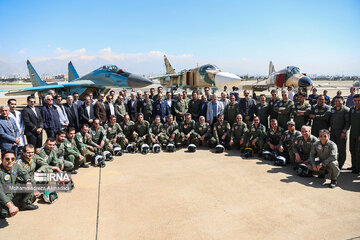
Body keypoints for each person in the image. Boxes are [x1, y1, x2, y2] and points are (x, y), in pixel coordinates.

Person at [0, 150, 39, 219]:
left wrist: (29, 182)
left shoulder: (15, 166)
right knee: (7, 212)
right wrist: (10, 206)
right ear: (1, 159)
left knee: (32, 182)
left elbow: (24, 173)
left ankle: (24, 204)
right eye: (7, 159)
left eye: (12, 159)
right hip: (3, 194)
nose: (10, 161)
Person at [330, 96, 350, 169]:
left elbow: (348, 122)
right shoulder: (333, 109)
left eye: (339, 101)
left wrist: (344, 131)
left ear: (342, 101)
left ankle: (340, 164)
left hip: (341, 132)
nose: (337, 102)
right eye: (336, 101)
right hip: (333, 132)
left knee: (341, 149)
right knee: (333, 148)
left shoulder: (346, 110)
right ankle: (333, 163)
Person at [349, 94, 360, 174]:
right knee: (352, 150)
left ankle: (358, 168)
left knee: (358, 151)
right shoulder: (352, 109)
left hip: (359, 135)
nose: (357, 102)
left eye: (359, 101)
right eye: (355, 101)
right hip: (352, 133)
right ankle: (354, 165)